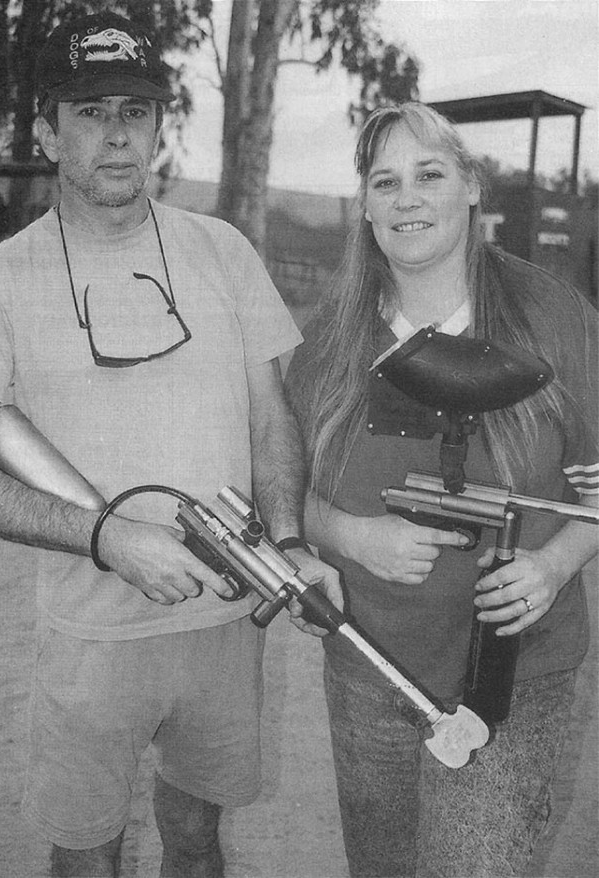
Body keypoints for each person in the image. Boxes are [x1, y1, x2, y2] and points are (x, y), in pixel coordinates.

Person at [0, 11, 341, 878]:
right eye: (90, 111)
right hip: (92, 635)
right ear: (48, 131)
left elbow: (269, 411)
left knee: (198, 837)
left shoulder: (224, 251)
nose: (117, 134)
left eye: (136, 109)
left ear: (161, 127)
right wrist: (107, 538)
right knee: (86, 851)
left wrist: (286, 543)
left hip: (228, 619)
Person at [284, 101, 598, 877]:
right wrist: (352, 537)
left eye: (429, 174)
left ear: (471, 188)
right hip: (369, 662)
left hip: (516, 673)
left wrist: (556, 564)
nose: (407, 198)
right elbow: (282, 489)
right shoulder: (331, 339)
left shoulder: (554, 317)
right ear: (364, 207)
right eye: (384, 182)